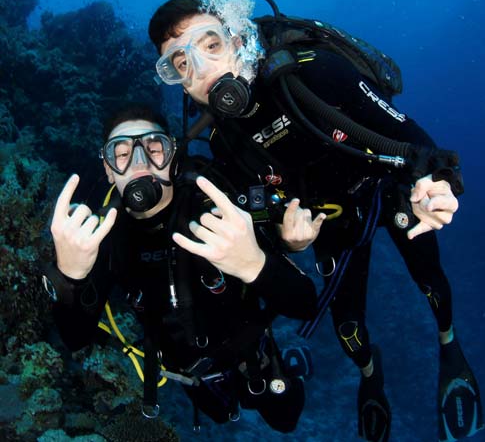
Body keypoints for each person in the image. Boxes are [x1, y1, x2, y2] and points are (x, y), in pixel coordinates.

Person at [147, 0, 483, 442]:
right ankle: (369, 375)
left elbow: (406, 134)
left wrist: (434, 181)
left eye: (211, 44)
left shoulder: (313, 72)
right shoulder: (225, 143)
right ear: (180, 83)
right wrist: (289, 241)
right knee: (349, 330)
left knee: (430, 281)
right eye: (181, 63)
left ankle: (449, 344)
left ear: (238, 40)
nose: (201, 69)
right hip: (334, 225)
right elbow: (262, 219)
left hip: (386, 192)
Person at [43, 103, 318, 433]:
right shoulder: (104, 235)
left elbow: (306, 304)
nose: (140, 163)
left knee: (285, 419)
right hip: (188, 373)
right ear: (108, 169)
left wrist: (255, 264)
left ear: (173, 156)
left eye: (155, 148)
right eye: (122, 153)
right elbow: (75, 339)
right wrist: (70, 276)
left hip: (253, 357)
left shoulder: (216, 206)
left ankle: (292, 361)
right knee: (220, 415)